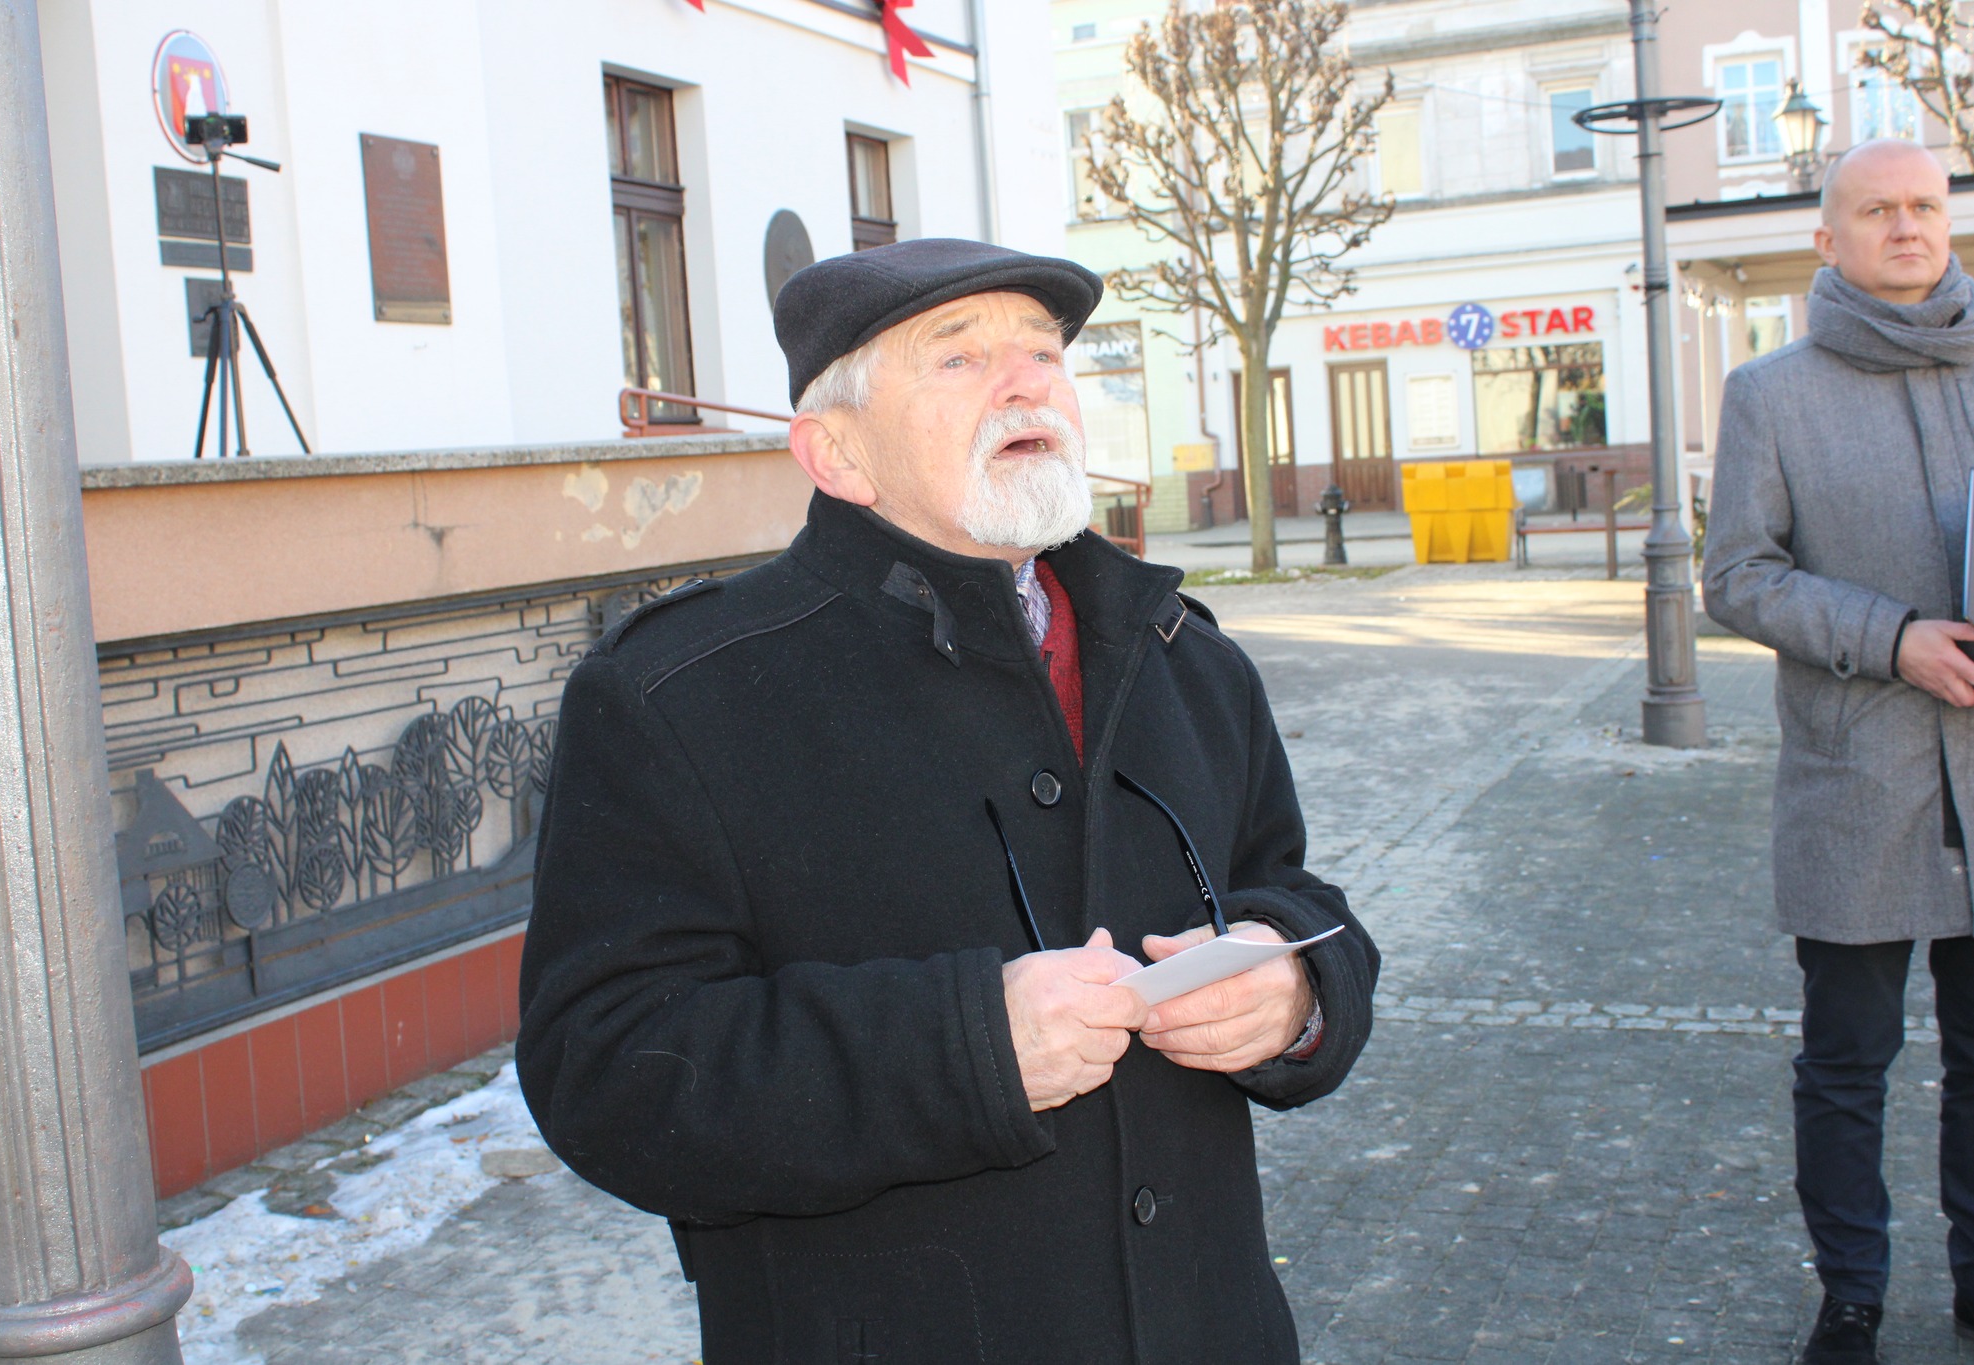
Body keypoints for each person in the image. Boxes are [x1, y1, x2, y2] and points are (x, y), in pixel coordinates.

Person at [516, 238, 1378, 1363]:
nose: (1026, 384)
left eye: (1042, 352)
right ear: (837, 453)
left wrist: (1294, 995)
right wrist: (965, 1050)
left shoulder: (1185, 657)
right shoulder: (681, 694)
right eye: (958, 358)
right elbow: (606, 1072)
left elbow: (1297, 897)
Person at [1703, 139, 1974, 1364]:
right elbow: (1737, 575)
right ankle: (1850, 1294)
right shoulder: (1769, 393)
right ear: (1824, 238)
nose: (1905, 227)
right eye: (1876, 209)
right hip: (1858, 773)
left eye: (1923, 206)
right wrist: (1890, 639)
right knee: (1846, 1061)